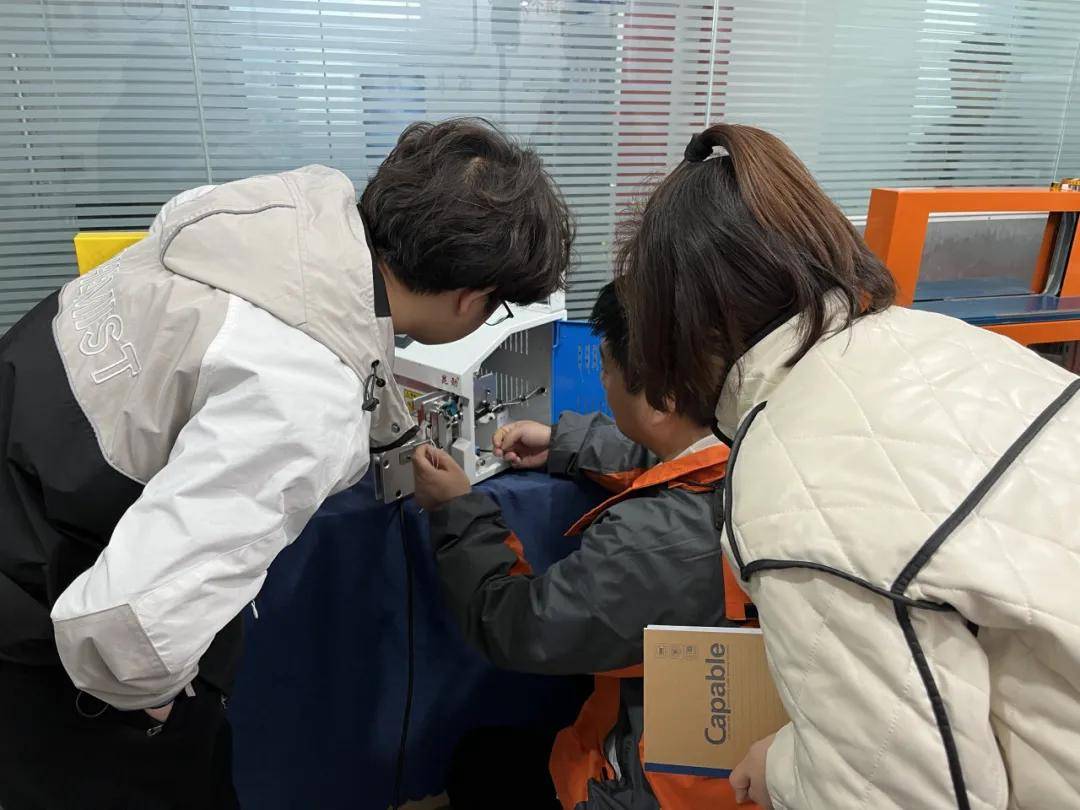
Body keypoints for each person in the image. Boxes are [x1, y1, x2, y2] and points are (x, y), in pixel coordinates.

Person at [0, 118, 572, 810]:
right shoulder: (304, 393)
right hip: (42, 618)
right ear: (469, 300)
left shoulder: (273, 219)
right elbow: (127, 631)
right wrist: (159, 709)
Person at [615, 122, 1080, 809]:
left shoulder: (788, 486)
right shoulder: (946, 342)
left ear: (685, 330)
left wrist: (783, 771)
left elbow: (900, 795)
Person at [411, 282, 756, 810]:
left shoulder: (650, 543)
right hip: (746, 765)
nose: (603, 380)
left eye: (607, 367)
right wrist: (564, 441)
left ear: (661, 399)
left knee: (478, 763)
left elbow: (514, 625)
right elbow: (681, 456)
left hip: (655, 793)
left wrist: (456, 509)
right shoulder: (759, 452)